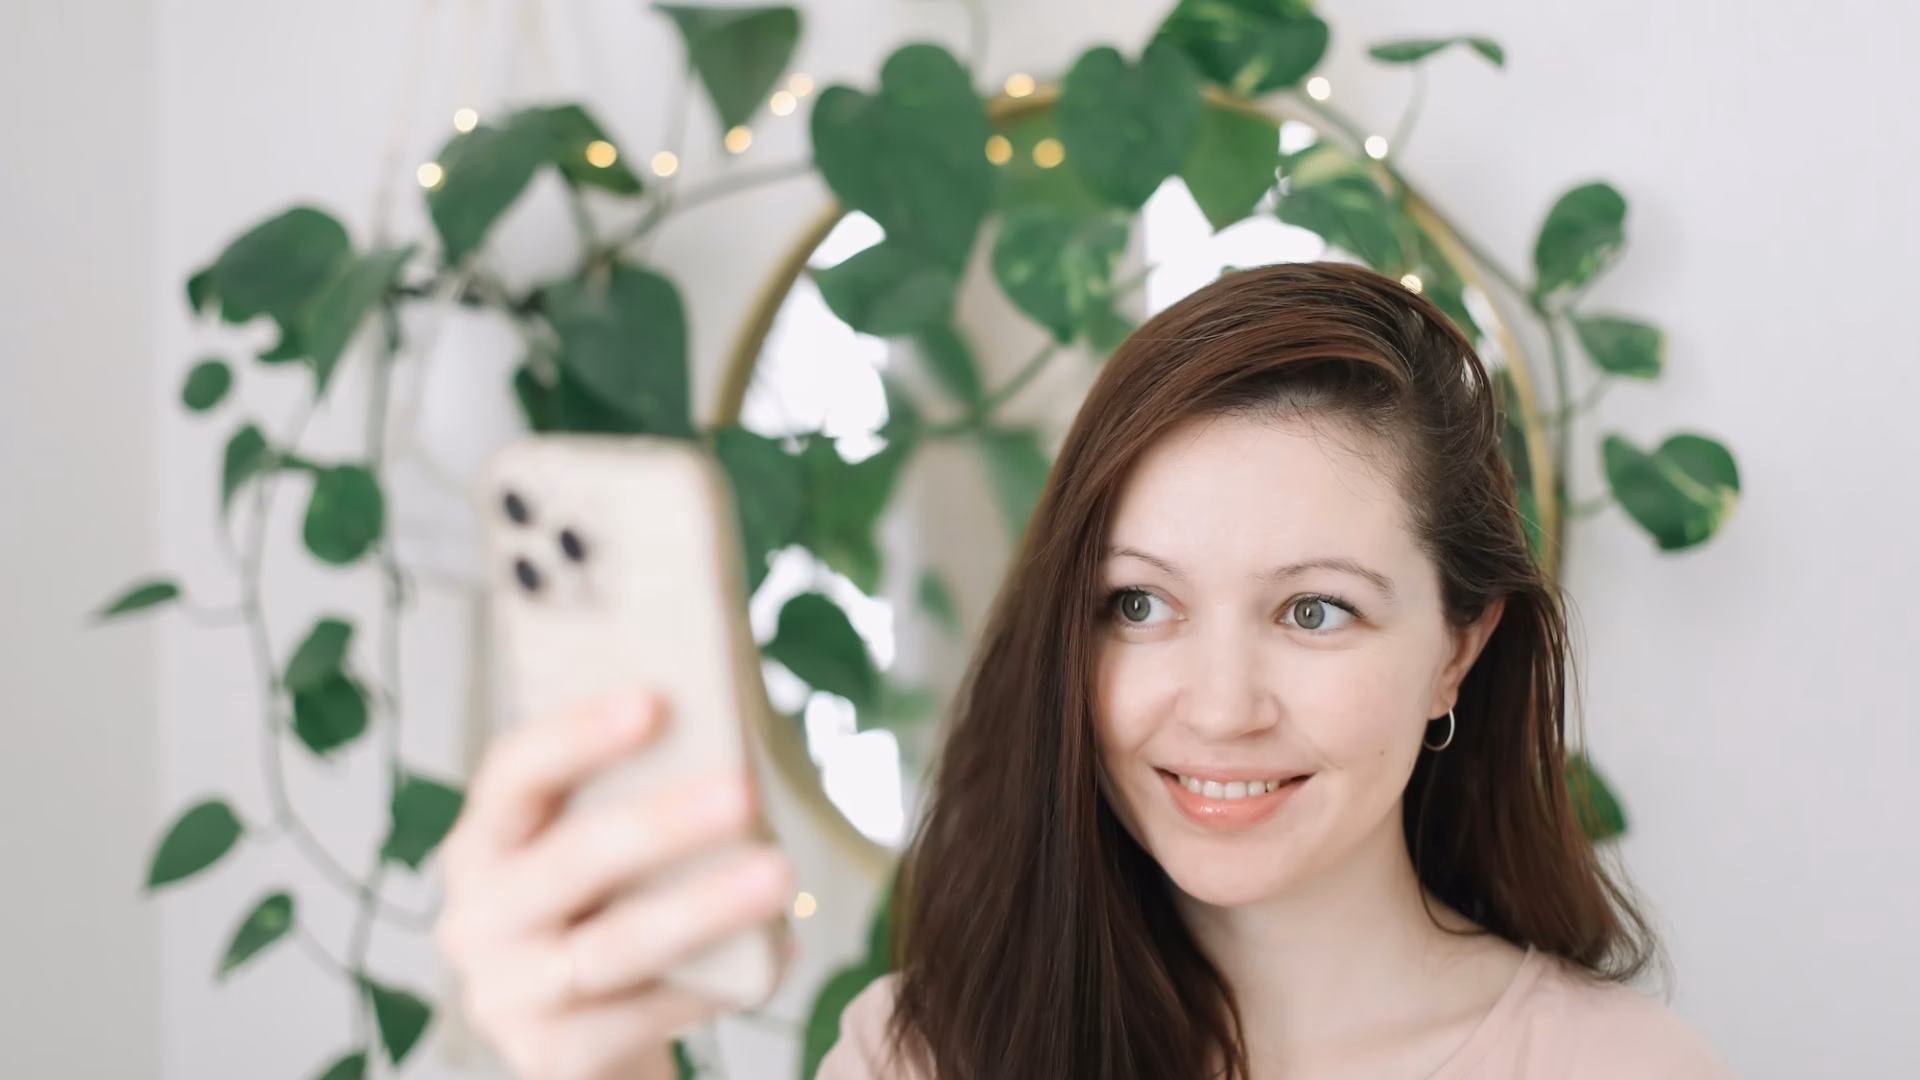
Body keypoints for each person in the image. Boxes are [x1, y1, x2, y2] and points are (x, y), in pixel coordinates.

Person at [435, 262, 1734, 1079]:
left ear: (1458, 647)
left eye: (1317, 612)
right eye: (1139, 603)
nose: (1219, 707)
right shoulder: (921, 1054)